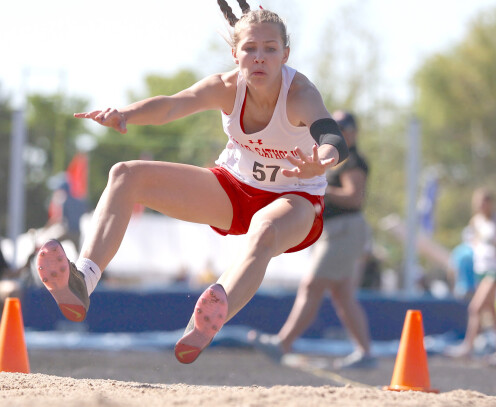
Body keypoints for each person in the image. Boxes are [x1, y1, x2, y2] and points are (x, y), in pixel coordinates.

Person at [35, 1, 348, 365]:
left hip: (296, 199)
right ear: (235, 54)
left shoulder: (299, 95)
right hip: (234, 189)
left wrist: (320, 163)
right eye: (249, 49)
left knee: (263, 230)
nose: (259, 58)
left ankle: (211, 314)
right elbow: (171, 105)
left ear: (285, 54)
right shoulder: (226, 87)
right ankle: (82, 281)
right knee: (124, 175)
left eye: (269, 49)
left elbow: (332, 137)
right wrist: (124, 114)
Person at [251, 111, 376, 369]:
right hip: (338, 230)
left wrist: (322, 189)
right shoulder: (338, 161)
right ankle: (366, 353)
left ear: (352, 133)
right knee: (342, 295)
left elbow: (354, 197)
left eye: (341, 127)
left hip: (345, 229)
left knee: (311, 286)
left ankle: (283, 343)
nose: (337, 132)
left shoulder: (352, 162)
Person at [446, 188, 496, 366]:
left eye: (486, 201)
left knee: (475, 307)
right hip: (482, 269)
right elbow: (474, 241)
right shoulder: (476, 222)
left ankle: (467, 346)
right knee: (491, 311)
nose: (482, 205)